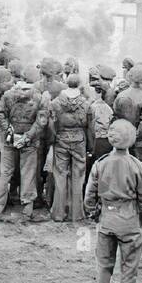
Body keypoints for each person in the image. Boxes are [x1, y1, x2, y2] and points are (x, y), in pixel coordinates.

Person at [83, 119, 142, 283]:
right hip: (129, 222)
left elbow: (88, 197)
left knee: (104, 269)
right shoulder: (137, 166)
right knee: (129, 272)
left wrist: (95, 214)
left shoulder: (100, 163)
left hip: (106, 221)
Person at [0, 66, 48, 222]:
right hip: (30, 140)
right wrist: (27, 137)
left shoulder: (8, 95)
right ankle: (27, 209)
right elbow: (42, 122)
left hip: (9, 139)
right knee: (28, 173)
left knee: (5, 173)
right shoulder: (39, 97)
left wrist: (10, 133)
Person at [48, 73, 94, 223]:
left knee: (60, 175)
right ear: (79, 84)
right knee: (78, 177)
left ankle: (58, 213)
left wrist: (55, 138)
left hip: (61, 139)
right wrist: (90, 146)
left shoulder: (55, 102)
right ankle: (77, 214)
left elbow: (51, 124)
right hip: (79, 139)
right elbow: (90, 127)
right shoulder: (86, 104)